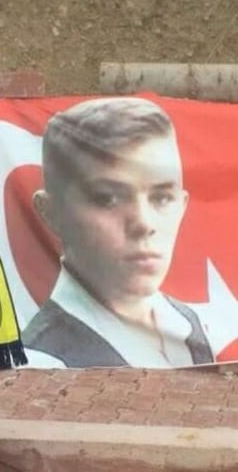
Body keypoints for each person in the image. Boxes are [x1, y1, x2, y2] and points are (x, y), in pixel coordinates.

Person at [22, 96, 215, 367]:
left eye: (162, 198)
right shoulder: (42, 362)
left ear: (182, 205)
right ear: (51, 213)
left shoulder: (190, 324)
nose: (144, 223)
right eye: (107, 199)